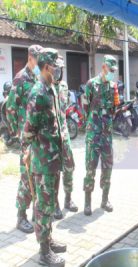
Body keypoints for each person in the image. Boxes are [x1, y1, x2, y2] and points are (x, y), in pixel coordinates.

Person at [22, 48, 66, 266]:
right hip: (43, 161)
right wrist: (27, 151)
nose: (59, 70)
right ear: (47, 67)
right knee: (44, 206)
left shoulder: (51, 89)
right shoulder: (38, 93)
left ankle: (48, 238)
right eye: (56, 66)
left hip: (53, 158)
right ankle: (44, 253)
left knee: (50, 204)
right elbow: (28, 129)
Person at [6, 44, 43, 233]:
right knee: (26, 176)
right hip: (26, 137)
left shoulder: (38, 76)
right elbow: (10, 107)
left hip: (38, 137)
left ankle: (36, 213)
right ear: (30, 57)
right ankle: (21, 217)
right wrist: (16, 132)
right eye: (37, 58)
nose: (40, 62)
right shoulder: (21, 78)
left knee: (37, 175)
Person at [83, 55, 120, 216]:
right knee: (90, 168)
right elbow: (85, 107)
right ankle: (87, 202)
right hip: (93, 134)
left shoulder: (113, 87)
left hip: (107, 136)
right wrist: (94, 122)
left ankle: (105, 200)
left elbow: (115, 109)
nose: (112, 72)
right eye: (111, 69)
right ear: (104, 66)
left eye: (114, 70)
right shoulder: (91, 84)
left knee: (107, 168)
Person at [53, 61, 78, 220]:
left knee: (69, 166)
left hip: (64, 133)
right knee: (54, 171)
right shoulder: (44, 87)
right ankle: (54, 204)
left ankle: (68, 199)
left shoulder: (63, 86)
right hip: (51, 137)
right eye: (56, 68)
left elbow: (65, 108)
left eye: (60, 68)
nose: (58, 71)